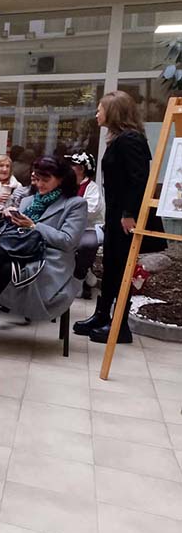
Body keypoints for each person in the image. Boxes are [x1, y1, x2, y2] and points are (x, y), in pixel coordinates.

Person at [75, 91, 152, 344]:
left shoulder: (130, 139)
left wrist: (129, 214)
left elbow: (139, 179)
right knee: (111, 266)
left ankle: (120, 326)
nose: (96, 113)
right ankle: (102, 316)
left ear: (113, 111)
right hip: (115, 215)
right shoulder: (118, 138)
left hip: (125, 218)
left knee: (121, 268)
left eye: (100, 109)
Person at [0, 155, 87, 321]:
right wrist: (8, 216)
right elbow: (17, 233)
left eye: (45, 180)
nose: (39, 184)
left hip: (50, 259)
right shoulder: (28, 200)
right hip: (21, 250)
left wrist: (34, 226)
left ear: (61, 179)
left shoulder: (75, 204)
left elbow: (68, 241)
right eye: (37, 179)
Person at [66, 152, 104, 298]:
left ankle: (80, 275)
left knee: (87, 244)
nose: (70, 167)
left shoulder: (92, 188)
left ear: (81, 169)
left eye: (73, 165)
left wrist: (70, 212)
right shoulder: (65, 184)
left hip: (87, 227)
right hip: (66, 225)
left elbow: (92, 210)